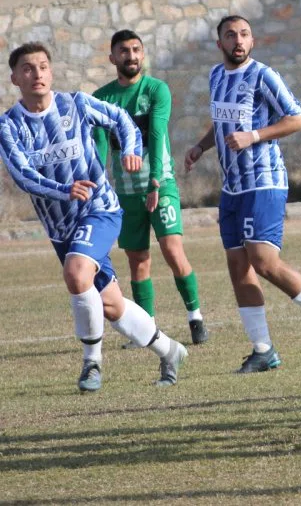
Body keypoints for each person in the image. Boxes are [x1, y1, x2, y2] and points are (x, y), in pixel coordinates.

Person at [1, 42, 187, 391]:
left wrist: (131, 149)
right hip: (61, 227)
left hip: (99, 209)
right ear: (14, 78)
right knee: (111, 305)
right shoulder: (10, 126)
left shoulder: (76, 103)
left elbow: (121, 119)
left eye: (43, 66)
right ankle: (170, 350)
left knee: (75, 272)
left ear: (51, 72)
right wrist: (64, 189)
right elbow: (23, 175)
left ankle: (92, 365)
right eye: (27, 68)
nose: (37, 73)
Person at [184, 16, 301, 373]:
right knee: (238, 266)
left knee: (264, 262)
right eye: (230, 35)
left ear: (252, 41)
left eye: (243, 34)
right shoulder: (215, 76)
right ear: (220, 44)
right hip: (232, 187)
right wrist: (201, 146)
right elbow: (223, 123)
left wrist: (255, 136)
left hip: (264, 180)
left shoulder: (262, 76)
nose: (238, 41)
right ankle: (263, 350)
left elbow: (297, 118)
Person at [93, 30, 207, 346]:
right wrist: (98, 186)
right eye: (124, 51)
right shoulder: (101, 98)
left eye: (136, 50)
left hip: (161, 184)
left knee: (172, 250)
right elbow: (100, 147)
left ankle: (195, 317)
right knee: (138, 261)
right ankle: (146, 328)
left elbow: (156, 134)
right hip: (126, 194)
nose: (131, 56)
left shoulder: (156, 89)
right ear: (112, 57)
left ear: (143, 54)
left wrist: (155, 180)